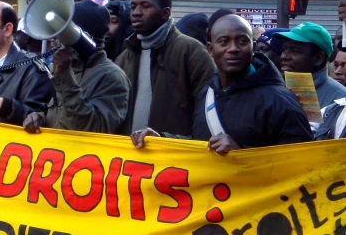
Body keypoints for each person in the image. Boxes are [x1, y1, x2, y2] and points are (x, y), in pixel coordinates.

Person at [131, 15, 313, 154]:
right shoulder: (206, 93)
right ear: (211, 49)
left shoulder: (281, 101)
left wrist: (240, 154)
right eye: (224, 42)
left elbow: (300, 165)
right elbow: (201, 143)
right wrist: (161, 140)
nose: (233, 48)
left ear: (253, 47)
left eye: (242, 41)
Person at [115, 0, 214, 136]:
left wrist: (170, 139)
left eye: (145, 6)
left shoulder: (191, 51)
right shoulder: (124, 57)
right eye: (133, 7)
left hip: (172, 154)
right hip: (128, 155)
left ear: (165, 13)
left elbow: (208, 112)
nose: (136, 13)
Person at [23, 0, 130, 134]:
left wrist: (65, 79)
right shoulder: (72, 68)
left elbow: (96, 128)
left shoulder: (111, 77)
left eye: (61, 32)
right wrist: (40, 118)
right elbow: (65, 118)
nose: (54, 39)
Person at [273, 22, 346, 108]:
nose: (284, 56)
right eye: (284, 49)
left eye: (294, 51)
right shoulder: (276, 91)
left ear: (318, 58)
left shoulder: (340, 98)